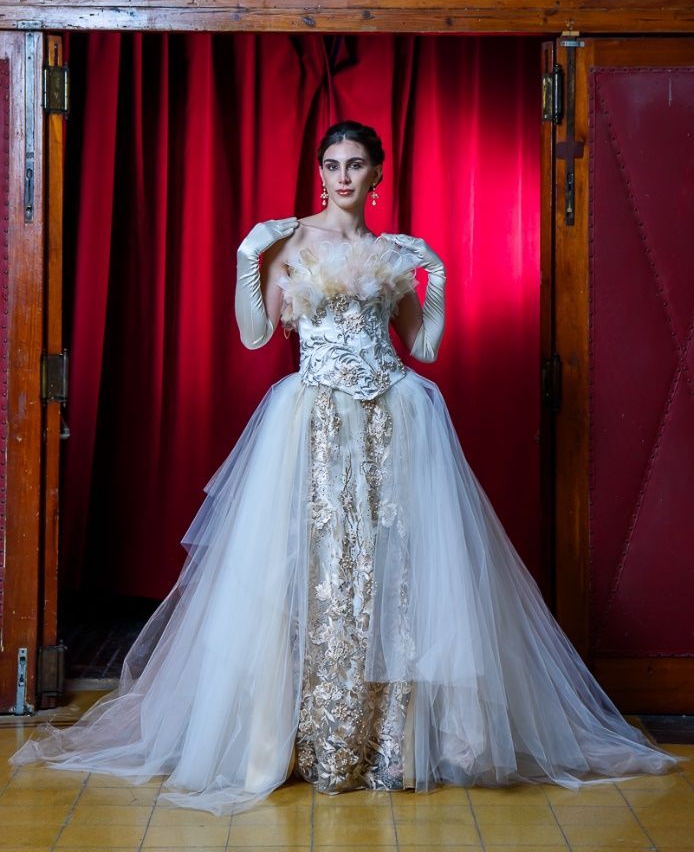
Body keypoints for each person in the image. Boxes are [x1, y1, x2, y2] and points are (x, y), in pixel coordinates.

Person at [9, 120, 684, 816]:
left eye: (355, 164)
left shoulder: (391, 252)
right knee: (314, 572)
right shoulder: (291, 241)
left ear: (376, 174)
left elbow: (422, 345)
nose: (341, 176)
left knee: (391, 575)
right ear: (319, 170)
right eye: (331, 163)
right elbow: (253, 334)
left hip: (395, 418)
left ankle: (388, 743)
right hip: (313, 424)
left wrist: (438, 276)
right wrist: (250, 257)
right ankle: (308, 737)